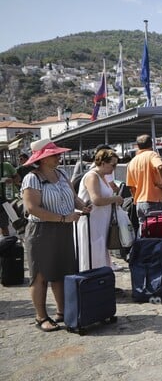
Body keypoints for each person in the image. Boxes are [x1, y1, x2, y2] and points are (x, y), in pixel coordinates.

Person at [20, 139, 91, 332]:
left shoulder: (61, 174)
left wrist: (82, 205)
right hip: (42, 231)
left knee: (61, 272)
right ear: (42, 159)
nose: (59, 156)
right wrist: (63, 218)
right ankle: (41, 317)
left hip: (63, 229)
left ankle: (62, 312)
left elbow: (73, 196)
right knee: (40, 276)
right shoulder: (32, 178)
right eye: (55, 154)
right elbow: (32, 208)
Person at [75, 149, 124, 270]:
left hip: (100, 221)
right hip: (91, 221)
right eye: (112, 165)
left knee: (100, 251)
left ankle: (101, 280)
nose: (114, 168)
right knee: (93, 252)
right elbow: (96, 200)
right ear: (103, 163)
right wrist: (115, 198)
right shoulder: (92, 176)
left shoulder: (103, 177)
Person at [126, 134, 162, 225]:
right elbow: (161, 167)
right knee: (156, 231)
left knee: (144, 231)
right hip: (154, 200)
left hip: (140, 202)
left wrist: (136, 199)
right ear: (151, 144)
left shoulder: (132, 161)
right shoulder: (152, 155)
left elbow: (130, 186)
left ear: (137, 146)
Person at [0, 159, 18, 236]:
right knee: (3, 225)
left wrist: (12, 180)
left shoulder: (6, 165)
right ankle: (7, 243)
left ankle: (22, 240)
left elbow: (18, 178)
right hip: (0, 200)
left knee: (18, 221)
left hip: (12, 197)